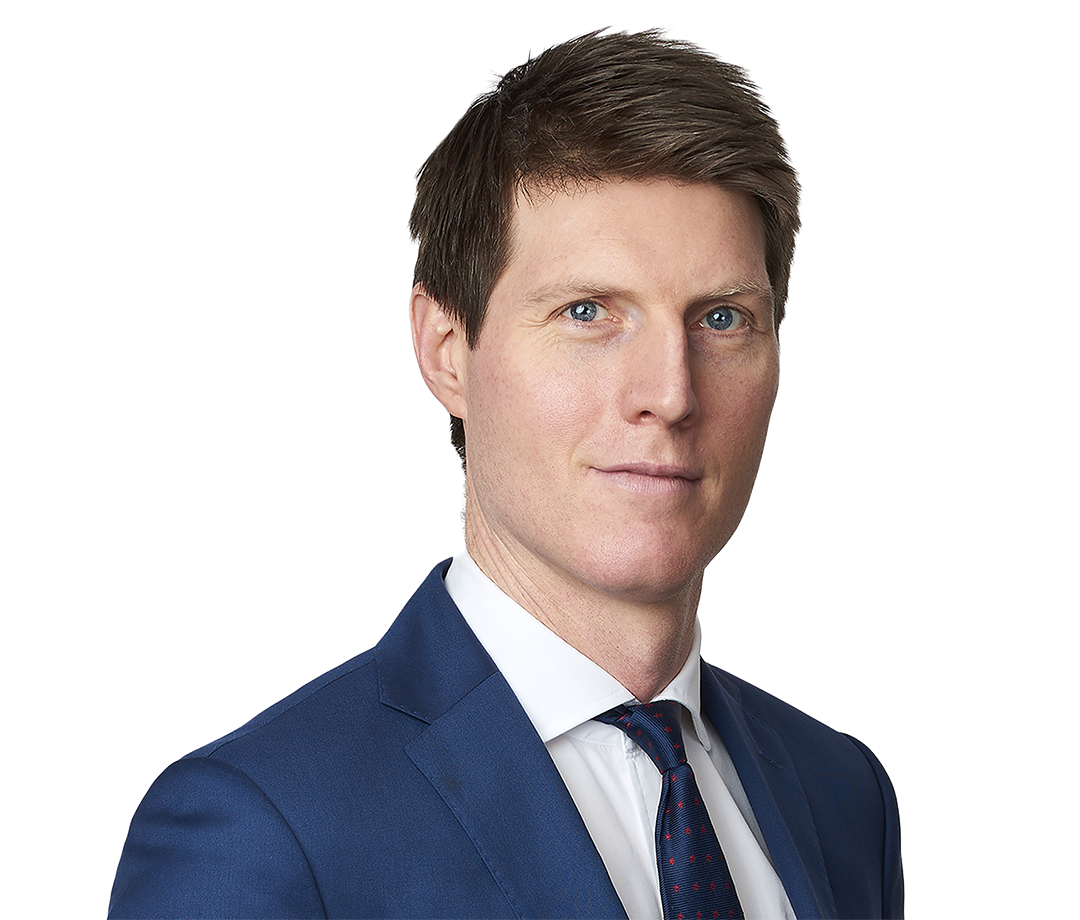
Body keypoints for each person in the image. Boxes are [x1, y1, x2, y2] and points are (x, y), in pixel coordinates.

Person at [108, 30, 903, 920]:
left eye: (722, 318)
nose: (671, 395)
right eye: (588, 312)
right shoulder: (263, 830)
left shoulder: (844, 797)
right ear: (447, 350)